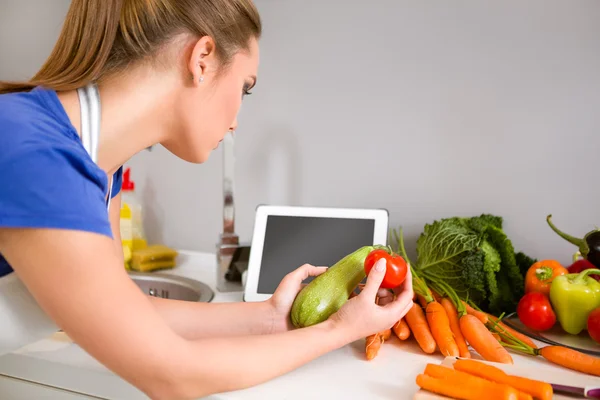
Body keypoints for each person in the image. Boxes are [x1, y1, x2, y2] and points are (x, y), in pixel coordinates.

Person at [0, 0, 414, 399]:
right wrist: (337, 330)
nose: (235, 122)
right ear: (202, 59)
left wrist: (270, 318)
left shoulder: (101, 167)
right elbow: (170, 374)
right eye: (245, 89)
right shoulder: (36, 152)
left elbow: (121, 311)